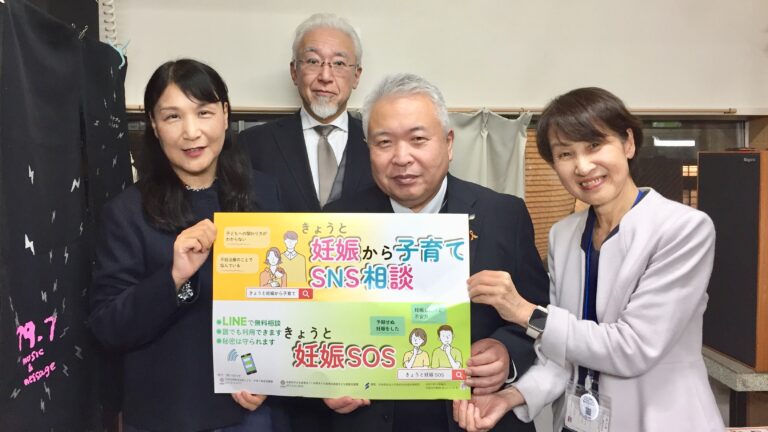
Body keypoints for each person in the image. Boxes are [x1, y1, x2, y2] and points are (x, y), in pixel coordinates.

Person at [454, 87, 724, 432]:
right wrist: (510, 396)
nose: (582, 166)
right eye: (565, 154)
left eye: (594, 145)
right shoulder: (564, 234)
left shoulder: (682, 229)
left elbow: (632, 348)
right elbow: (561, 350)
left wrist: (522, 311)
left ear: (628, 143)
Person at [324, 73, 549, 432]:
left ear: (448, 143)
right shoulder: (336, 222)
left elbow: (541, 314)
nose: (401, 157)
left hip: (475, 418)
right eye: (384, 142)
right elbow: (320, 325)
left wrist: (507, 354)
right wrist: (327, 382)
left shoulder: (503, 215)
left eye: (418, 139)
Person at [88, 59, 289, 431]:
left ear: (225, 115)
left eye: (204, 112)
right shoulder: (126, 212)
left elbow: (284, 302)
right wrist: (174, 277)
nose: (191, 132)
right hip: (168, 416)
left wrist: (268, 372)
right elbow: (108, 327)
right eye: (172, 117)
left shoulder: (264, 192)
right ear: (153, 125)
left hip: (251, 411)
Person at [239, 13, 374, 211]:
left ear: (356, 76)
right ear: (294, 71)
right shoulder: (253, 144)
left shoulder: (378, 142)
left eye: (339, 63)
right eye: (313, 61)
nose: (325, 76)